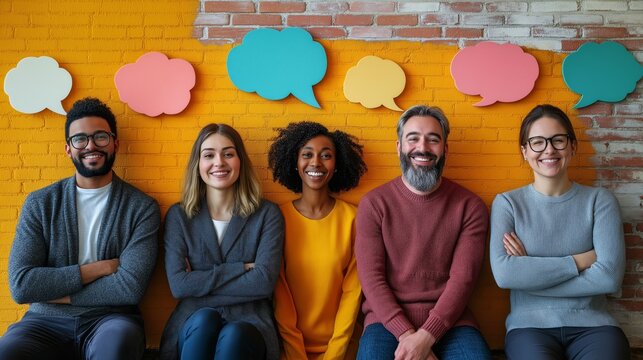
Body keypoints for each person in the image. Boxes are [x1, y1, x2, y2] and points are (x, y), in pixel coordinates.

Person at [0, 97, 160, 360]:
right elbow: (22, 285)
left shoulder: (141, 208)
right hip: (43, 321)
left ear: (115, 143)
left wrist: (57, 295)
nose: (90, 146)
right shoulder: (41, 203)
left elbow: (129, 288)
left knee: (117, 346)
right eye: (80, 139)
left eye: (100, 137)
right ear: (68, 149)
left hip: (111, 319)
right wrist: (98, 268)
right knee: (7, 351)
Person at [489, 104, 630, 360]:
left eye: (558, 140)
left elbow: (608, 278)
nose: (549, 149)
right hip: (528, 327)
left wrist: (531, 275)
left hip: (595, 326)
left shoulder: (600, 201)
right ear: (524, 151)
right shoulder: (507, 204)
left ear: (573, 146)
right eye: (537, 142)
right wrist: (580, 261)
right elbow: (506, 275)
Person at [355, 105, 491, 360]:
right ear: (399, 147)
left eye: (433, 139)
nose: (423, 148)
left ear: (445, 149)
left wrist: (426, 337)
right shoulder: (373, 204)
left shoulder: (470, 206)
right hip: (386, 321)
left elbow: (463, 281)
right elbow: (371, 279)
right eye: (413, 138)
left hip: (452, 320)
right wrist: (409, 338)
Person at [159, 123, 284, 360]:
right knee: (206, 319)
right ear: (198, 165)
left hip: (250, 322)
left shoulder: (267, 215)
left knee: (234, 335)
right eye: (209, 155)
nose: (219, 162)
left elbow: (262, 283)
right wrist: (240, 269)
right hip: (193, 322)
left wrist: (199, 282)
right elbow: (179, 286)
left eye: (228, 153)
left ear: (240, 161)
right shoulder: (179, 216)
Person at [268, 121, 367, 360]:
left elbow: (352, 294)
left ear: (336, 165)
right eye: (307, 155)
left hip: (342, 348)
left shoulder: (353, 219)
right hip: (287, 347)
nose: (316, 163)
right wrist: (296, 354)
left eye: (326, 155)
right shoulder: (277, 219)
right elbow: (279, 295)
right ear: (295, 162)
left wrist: (335, 354)